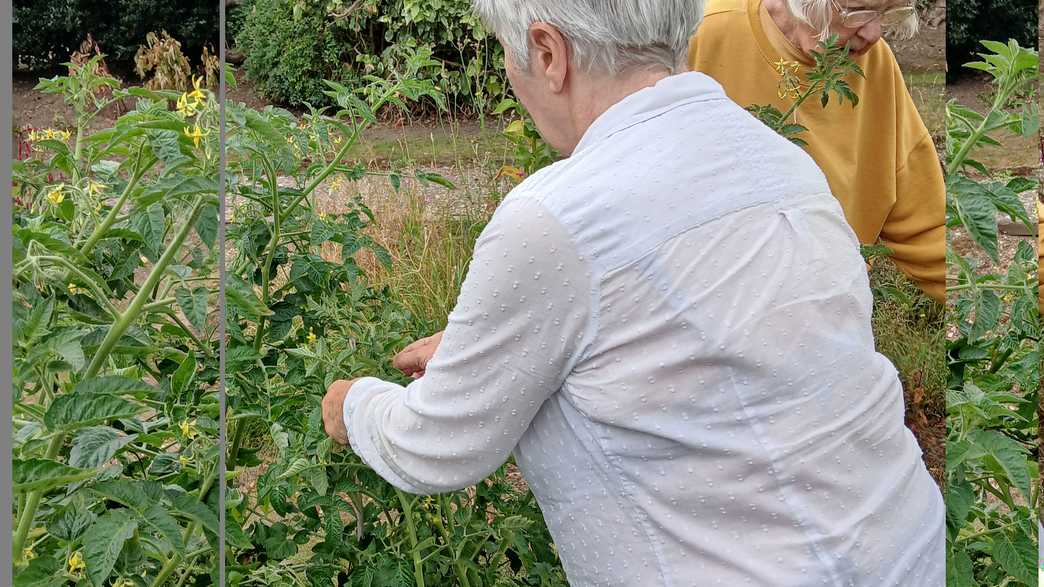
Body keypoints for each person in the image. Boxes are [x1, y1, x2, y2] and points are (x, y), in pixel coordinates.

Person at [321, 0, 944, 584]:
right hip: (903, 550)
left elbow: (433, 447)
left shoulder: (554, 214)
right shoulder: (782, 162)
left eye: (506, 53)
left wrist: (353, 405)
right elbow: (697, 348)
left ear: (547, 53)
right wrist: (484, 355)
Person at [688, 0, 945, 303]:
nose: (874, 33)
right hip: (709, 309)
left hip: (824, 315)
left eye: (886, 14)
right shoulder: (702, 34)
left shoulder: (873, 65)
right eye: (858, 12)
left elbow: (926, 222)